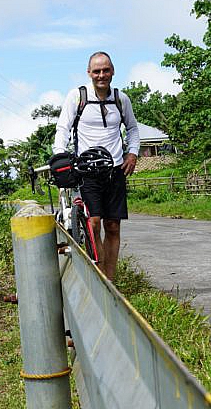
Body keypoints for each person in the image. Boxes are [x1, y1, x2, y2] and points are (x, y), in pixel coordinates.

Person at [53, 51, 140, 280]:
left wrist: (132, 153)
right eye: (97, 71)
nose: (101, 75)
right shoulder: (78, 96)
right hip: (87, 169)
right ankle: (99, 276)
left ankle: (109, 280)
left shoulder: (121, 99)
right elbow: (63, 128)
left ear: (112, 71)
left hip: (115, 168)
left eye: (106, 70)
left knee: (113, 226)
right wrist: (60, 156)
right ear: (89, 73)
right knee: (93, 223)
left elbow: (132, 128)